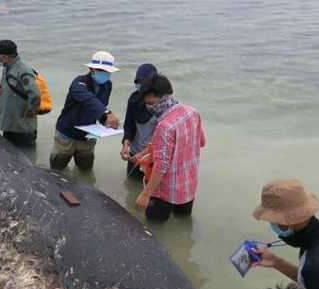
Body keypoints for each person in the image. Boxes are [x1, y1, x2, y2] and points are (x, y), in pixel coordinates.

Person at [133, 73, 205, 222]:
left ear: (163, 97)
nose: (149, 107)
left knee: (154, 226)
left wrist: (145, 194)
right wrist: (146, 152)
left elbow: (161, 166)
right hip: (188, 185)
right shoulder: (192, 112)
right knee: (183, 223)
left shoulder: (164, 126)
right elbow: (201, 142)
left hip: (165, 190)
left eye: (151, 103)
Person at [51, 51, 121, 171]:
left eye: (108, 72)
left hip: (88, 135)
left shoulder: (107, 85)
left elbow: (101, 105)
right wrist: (107, 113)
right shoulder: (78, 83)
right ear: (91, 69)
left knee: (85, 169)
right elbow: (89, 99)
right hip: (66, 134)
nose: (106, 74)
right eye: (102, 71)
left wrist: (105, 121)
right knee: (57, 168)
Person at [0, 39, 41, 147]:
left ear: (4, 57)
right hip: (10, 125)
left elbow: (35, 94)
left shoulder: (23, 71)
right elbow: (13, 86)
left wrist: (31, 111)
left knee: (25, 159)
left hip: (22, 129)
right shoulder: (7, 67)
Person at [121, 63, 158, 179]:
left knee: (150, 189)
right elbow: (129, 125)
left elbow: (162, 139)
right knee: (131, 185)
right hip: (134, 154)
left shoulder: (161, 104)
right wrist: (125, 146)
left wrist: (144, 154)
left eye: (143, 83)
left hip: (154, 156)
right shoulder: (133, 99)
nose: (140, 86)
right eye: (138, 82)